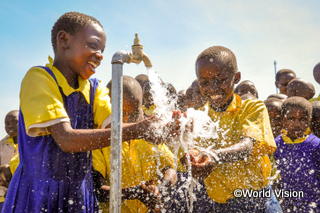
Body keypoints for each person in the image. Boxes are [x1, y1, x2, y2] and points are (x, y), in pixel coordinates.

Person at [2, 12, 175, 212]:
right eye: (93, 46)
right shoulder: (39, 78)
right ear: (64, 39)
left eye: (102, 50)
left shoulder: (94, 88)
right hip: (39, 194)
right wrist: (139, 130)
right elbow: (66, 140)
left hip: (78, 194)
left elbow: (115, 128)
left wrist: (161, 129)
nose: (100, 55)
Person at [181, 46, 281, 212]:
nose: (213, 88)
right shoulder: (199, 117)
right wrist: (191, 159)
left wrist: (213, 156)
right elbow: (192, 151)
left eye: (220, 80)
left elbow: (248, 145)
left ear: (236, 77)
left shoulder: (252, 107)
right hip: (221, 206)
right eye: (205, 82)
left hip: (259, 202)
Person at [92, 76, 177, 213]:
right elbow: (99, 192)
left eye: (134, 113)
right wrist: (135, 192)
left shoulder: (148, 134)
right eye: (121, 113)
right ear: (108, 111)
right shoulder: (100, 141)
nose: (127, 120)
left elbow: (170, 168)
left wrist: (163, 187)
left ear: (141, 107)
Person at [273, 97, 320, 212]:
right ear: (283, 120)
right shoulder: (275, 145)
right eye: (292, 118)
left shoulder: (315, 144)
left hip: (311, 204)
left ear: (309, 121)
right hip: (284, 204)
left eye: (303, 119)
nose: (297, 124)